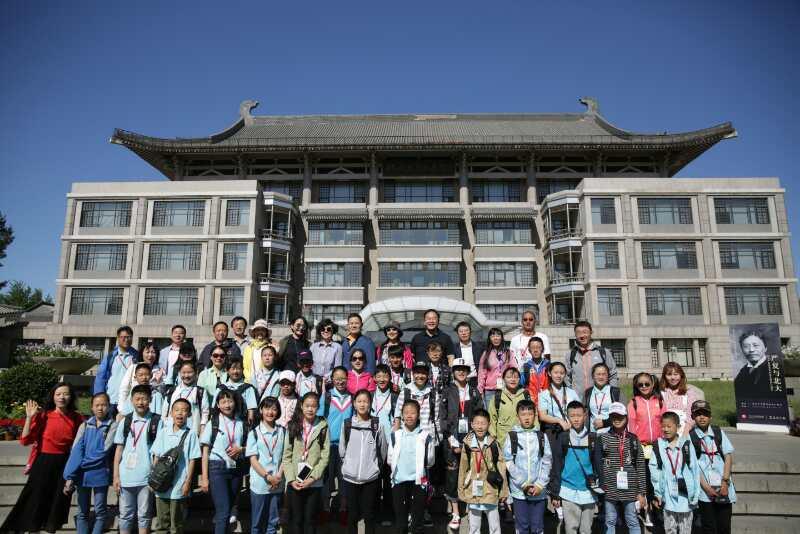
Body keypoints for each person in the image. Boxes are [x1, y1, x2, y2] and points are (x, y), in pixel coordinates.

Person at [0, 383, 83, 533]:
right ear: (53, 397)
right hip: (43, 461)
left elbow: (80, 443)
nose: (62, 397)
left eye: (66, 394)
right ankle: (27, 528)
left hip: (65, 462)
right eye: (58, 394)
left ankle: (50, 528)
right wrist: (29, 418)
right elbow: (25, 440)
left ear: (71, 397)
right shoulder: (44, 416)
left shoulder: (76, 418)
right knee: (35, 499)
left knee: (58, 500)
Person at [63, 392, 117, 534]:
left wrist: (82, 463)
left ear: (109, 407)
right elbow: (76, 450)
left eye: (104, 405)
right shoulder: (85, 425)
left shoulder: (112, 425)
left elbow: (104, 451)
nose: (100, 408)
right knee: (82, 511)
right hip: (82, 475)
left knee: (100, 510)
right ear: (92, 407)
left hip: (100, 474)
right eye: (97, 405)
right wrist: (70, 475)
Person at [441, 357, 483, 530]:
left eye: (464, 369)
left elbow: (480, 415)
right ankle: (456, 512)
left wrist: (474, 438)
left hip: (471, 438)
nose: (461, 372)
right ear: (453, 372)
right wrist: (452, 440)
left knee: (473, 473)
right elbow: (442, 417)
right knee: (453, 475)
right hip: (452, 439)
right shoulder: (447, 391)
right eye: (458, 369)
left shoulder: (474, 391)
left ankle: (473, 507)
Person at [593, 402, 647, 534]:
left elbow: (640, 466)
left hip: (630, 488)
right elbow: (597, 464)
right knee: (610, 520)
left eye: (620, 416)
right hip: (610, 488)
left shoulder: (633, 439)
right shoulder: (603, 438)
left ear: (626, 417)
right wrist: (601, 483)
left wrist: (641, 492)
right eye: (613, 416)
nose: (617, 419)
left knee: (632, 520)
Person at [340, 389, 389, 534]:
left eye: (365, 401)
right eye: (359, 401)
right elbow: (342, 450)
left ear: (370, 403)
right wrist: (349, 465)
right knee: (352, 515)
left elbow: (383, 450)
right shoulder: (347, 424)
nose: (362, 404)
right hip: (350, 478)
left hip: (370, 479)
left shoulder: (377, 425)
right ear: (354, 404)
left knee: (369, 515)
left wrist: (375, 467)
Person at [200, 389, 248, 534]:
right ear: (218, 405)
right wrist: (204, 478)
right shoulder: (213, 423)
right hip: (217, 468)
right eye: (223, 402)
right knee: (223, 511)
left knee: (230, 508)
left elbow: (251, 446)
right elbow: (205, 452)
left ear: (235, 403)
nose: (227, 405)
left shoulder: (241, 422)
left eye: (230, 401)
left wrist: (241, 449)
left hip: (236, 468)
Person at [113, 384, 159, 534]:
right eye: (137, 399)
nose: (140, 402)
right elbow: (118, 450)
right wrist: (116, 476)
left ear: (150, 400)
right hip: (125, 476)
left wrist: (154, 476)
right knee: (125, 514)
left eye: (144, 399)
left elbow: (158, 453)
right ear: (131, 400)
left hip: (146, 477)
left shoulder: (156, 421)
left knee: (144, 514)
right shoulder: (126, 421)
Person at [282, 392, 331, 534]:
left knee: (310, 520)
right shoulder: (293, 425)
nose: (310, 409)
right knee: (296, 520)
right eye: (307, 406)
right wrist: (291, 479)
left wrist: (312, 478)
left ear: (318, 408)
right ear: (301, 406)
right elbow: (287, 456)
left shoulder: (323, 426)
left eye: (314, 406)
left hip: (314, 482)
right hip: (295, 482)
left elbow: (325, 456)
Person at [151, 398, 201, 534]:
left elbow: (192, 460)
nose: (180, 413)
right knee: (162, 523)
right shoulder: (163, 432)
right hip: (161, 482)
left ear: (189, 414)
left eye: (184, 410)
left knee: (177, 524)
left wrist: (188, 482)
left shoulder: (191, 434)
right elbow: (156, 456)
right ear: (171, 413)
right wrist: (153, 478)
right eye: (177, 410)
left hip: (179, 483)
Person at [548, 401, 599, 534]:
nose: (576, 419)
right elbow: (556, 465)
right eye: (572, 416)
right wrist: (555, 493)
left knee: (586, 529)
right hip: (568, 490)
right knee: (571, 528)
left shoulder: (592, 439)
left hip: (589, 491)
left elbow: (598, 465)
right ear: (567, 417)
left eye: (579, 415)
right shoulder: (563, 438)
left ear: (585, 416)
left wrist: (600, 487)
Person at [503, 399, 552, 534]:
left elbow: (547, 461)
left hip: (538, 491)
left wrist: (540, 485)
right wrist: (523, 484)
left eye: (530, 414)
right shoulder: (511, 436)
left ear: (535, 415)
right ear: (517, 416)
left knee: (537, 526)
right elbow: (508, 462)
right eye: (523, 414)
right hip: (519, 491)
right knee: (522, 526)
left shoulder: (541, 436)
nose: (526, 418)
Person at [388, 399, 436, 534]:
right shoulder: (395, 435)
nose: (409, 416)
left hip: (418, 483)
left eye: (413, 413)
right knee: (401, 522)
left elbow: (430, 461)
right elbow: (390, 459)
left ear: (418, 415)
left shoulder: (425, 437)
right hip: (399, 482)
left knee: (417, 521)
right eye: (406, 413)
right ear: (402, 415)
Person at [457, 408, 509, 534]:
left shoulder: (493, 444)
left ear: (489, 424)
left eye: (483, 423)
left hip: (491, 489)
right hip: (472, 489)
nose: (480, 427)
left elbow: (501, 468)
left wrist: (503, 490)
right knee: (474, 526)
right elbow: (463, 468)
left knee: (495, 525)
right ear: (472, 424)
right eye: (477, 423)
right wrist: (461, 489)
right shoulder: (467, 444)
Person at [649, 411, 700, 534]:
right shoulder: (658, 445)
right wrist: (658, 493)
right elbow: (654, 470)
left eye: (669, 426)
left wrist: (695, 494)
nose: (666, 429)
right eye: (663, 426)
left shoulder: (686, 445)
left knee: (685, 529)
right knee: (669, 529)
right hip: (667, 496)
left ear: (678, 427)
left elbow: (694, 470)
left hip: (685, 496)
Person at [690, 400, 735, 534]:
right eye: (698, 414)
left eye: (705, 414)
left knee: (724, 526)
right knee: (708, 527)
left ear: (710, 416)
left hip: (724, 487)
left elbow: (728, 456)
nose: (702, 417)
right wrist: (706, 488)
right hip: (704, 491)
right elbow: (693, 467)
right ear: (692, 417)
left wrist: (725, 482)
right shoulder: (691, 437)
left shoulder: (718, 432)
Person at [627, 372, 664, 527]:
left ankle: (658, 509)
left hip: (657, 446)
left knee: (658, 479)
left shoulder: (659, 401)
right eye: (640, 384)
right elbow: (631, 426)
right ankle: (647, 511)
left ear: (652, 384)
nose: (644, 387)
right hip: (641, 446)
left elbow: (665, 423)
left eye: (646, 384)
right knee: (645, 480)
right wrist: (634, 446)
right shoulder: (633, 403)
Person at [246, 396, 286, 534]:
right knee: (257, 523)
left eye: (274, 409)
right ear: (261, 410)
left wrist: (278, 476)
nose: (270, 412)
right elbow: (253, 460)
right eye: (267, 408)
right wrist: (268, 477)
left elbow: (286, 456)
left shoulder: (283, 431)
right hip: (260, 484)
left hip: (277, 483)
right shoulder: (254, 433)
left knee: (273, 522)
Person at [319, 366, 353, 519]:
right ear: (332, 380)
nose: (340, 381)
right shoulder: (327, 397)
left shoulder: (352, 398)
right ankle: (325, 509)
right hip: (328, 445)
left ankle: (343, 509)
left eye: (343, 378)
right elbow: (320, 418)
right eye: (337, 378)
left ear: (347, 379)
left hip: (346, 445)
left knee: (344, 477)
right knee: (327, 477)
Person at [371, 364, 399, 526]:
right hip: (371, 443)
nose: (382, 379)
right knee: (374, 479)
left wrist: (394, 444)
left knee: (388, 480)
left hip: (389, 443)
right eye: (379, 376)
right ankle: (373, 512)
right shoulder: (369, 396)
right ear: (374, 378)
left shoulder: (395, 397)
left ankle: (389, 513)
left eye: (385, 376)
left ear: (390, 378)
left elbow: (397, 421)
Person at [94, 325, 140, 417]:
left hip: (128, 400)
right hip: (111, 399)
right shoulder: (111, 356)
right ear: (118, 338)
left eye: (129, 337)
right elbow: (101, 377)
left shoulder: (137, 356)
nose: (126, 340)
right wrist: (99, 396)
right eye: (123, 337)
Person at [564, 321, 618, 396]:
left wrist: (612, 393)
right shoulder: (570, 355)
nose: (582, 335)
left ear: (591, 332)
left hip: (600, 398)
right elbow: (566, 377)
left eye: (585, 332)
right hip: (578, 399)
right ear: (575, 335)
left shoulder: (604, 352)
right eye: (578, 333)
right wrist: (571, 393)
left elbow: (613, 375)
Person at [537, 362, 580, 447]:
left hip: (572, 430)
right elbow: (543, 416)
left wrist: (573, 422)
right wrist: (559, 421)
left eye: (562, 373)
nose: (559, 376)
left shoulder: (572, 392)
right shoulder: (544, 394)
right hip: (554, 432)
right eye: (556, 372)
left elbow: (579, 411)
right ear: (550, 373)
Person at [162, 360, 209, 434]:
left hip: (192, 432)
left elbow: (205, 414)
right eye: (183, 372)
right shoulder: (172, 391)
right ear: (179, 373)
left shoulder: (200, 392)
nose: (186, 376)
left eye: (190, 372)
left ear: (196, 373)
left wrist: (202, 433)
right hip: (172, 432)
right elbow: (164, 413)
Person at [488, 367, 530, 448]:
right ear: (503, 379)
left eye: (516, 377)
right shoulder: (497, 397)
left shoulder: (526, 395)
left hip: (523, 441)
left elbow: (533, 415)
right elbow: (492, 419)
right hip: (502, 442)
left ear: (519, 379)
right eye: (509, 377)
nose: (513, 380)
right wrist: (493, 439)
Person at [734, 330, 783, 398]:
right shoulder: (743, 371)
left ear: (765, 348)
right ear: (742, 350)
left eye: (755, 345)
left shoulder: (776, 368)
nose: (751, 350)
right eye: (746, 346)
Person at [213, 356, 259, 428]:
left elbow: (251, 411)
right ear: (227, 371)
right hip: (223, 426)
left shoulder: (248, 388)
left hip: (241, 424)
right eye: (233, 369)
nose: (235, 371)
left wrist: (249, 427)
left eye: (238, 369)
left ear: (242, 370)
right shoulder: (220, 388)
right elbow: (214, 408)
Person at [477, 327, 516, 410]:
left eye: (498, 335)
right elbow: (481, 373)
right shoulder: (486, 354)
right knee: (490, 414)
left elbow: (514, 369)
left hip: (506, 389)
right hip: (490, 391)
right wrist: (480, 390)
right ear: (489, 338)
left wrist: (512, 385)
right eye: (493, 336)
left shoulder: (508, 353)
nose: (495, 338)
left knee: (505, 413)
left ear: (501, 337)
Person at [660, 362, 703, 436]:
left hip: (684, 432)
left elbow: (691, 415)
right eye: (669, 374)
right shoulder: (661, 393)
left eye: (676, 374)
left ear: (681, 375)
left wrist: (685, 434)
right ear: (664, 376)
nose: (673, 378)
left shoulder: (689, 392)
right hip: (665, 433)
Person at [119, 341, 165, 408]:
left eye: (153, 352)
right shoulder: (134, 367)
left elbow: (162, 393)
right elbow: (124, 389)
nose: (150, 355)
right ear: (142, 353)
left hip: (152, 407)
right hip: (133, 406)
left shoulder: (160, 370)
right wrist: (121, 408)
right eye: (147, 352)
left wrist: (158, 382)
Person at [585, 362, 624, 433]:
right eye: (598, 374)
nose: (601, 377)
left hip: (611, 434)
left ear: (608, 376)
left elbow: (623, 415)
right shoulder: (588, 393)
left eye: (604, 374)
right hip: (593, 434)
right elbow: (584, 414)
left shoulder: (616, 392)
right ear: (593, 376)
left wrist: (605, 423)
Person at [243, 319, 275, 387]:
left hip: (265, 382)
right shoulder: (248, 347)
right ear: (254, 332)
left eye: (262, 330)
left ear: (266, 332)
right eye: (257, 330)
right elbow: (245, 366)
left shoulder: (270, 347)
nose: (260, 332)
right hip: (249, 382)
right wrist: (249, 379)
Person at [310, 318, 343, 384]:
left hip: (329, 382)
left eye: (328, 329)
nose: (325, 331)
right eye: (323, 329)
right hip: (314, 381)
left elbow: (337, 367)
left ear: (333, 331)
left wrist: (327, 378)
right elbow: (310, 365)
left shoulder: (338, 347)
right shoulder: (313, 346)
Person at [454, 321, 482, 387]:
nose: (464, 333)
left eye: (466, 331)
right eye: (461, 331)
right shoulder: (453, 348)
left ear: (470, 332)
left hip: (476, 381)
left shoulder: (479, 347)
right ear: (457, 333)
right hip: (459, 382)